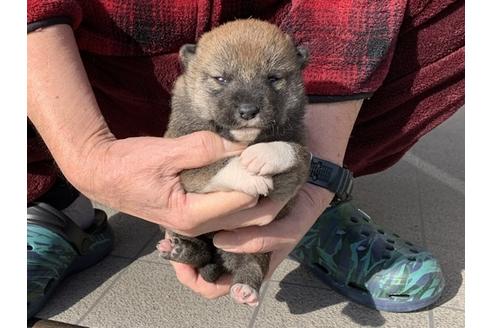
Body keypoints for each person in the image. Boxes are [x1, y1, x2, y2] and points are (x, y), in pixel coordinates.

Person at [27, 0, 464, 319]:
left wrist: (314, 183)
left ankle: (314, 210)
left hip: (303, 85)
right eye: (220, 81)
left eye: (274, 80)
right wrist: (86, 152)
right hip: (91, 73)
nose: (249, 105)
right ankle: (49, 205)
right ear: (192, 69)